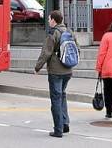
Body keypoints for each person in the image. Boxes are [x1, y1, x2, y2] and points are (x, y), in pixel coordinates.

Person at [34, 10, 72, 138]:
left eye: (49, 19)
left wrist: (37, 67)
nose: (49, 21)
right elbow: (77, 49)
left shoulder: (53, 33)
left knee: (56, 98)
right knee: (62, 96)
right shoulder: (69, 32)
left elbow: (46, 52)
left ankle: (58, 129)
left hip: (56, 71)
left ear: (54, 20)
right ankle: (65, 123)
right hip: (68, 70)